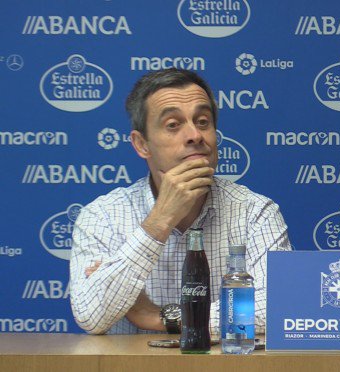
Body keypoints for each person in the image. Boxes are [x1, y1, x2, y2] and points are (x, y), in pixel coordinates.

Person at [69, 68, 291, 335]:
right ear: (142, 145)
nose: (195, 135)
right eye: (173, 125)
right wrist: (159, 220)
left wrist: (159, 318)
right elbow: (91, 316)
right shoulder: (102, 216)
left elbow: (280, 309)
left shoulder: (256, 212)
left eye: (203, 121)